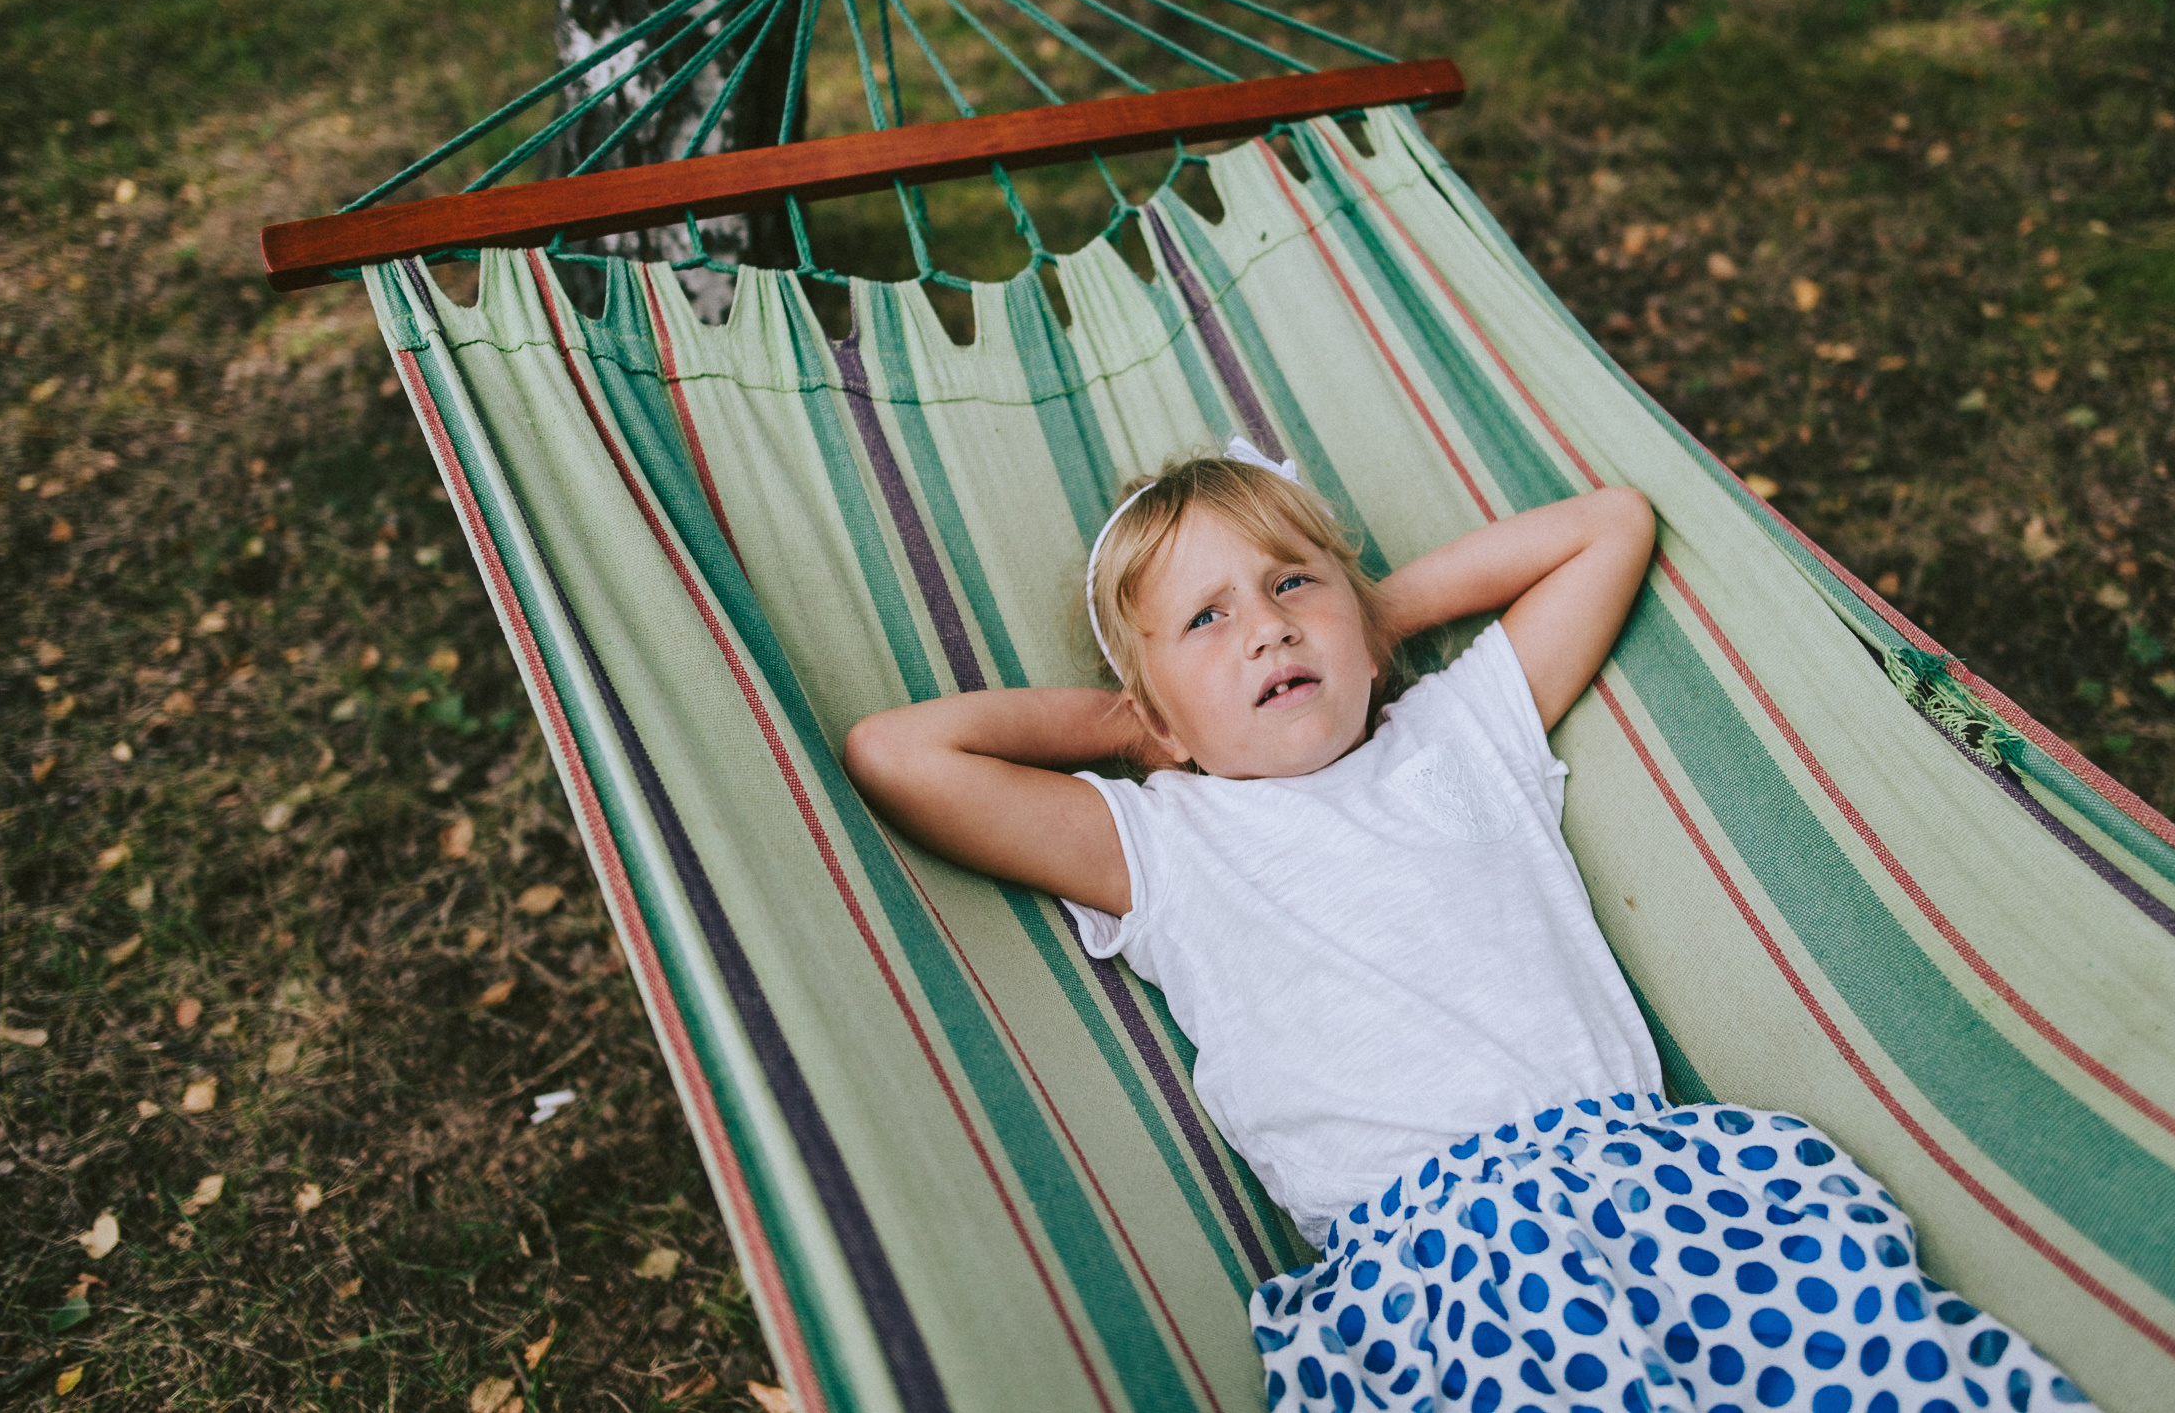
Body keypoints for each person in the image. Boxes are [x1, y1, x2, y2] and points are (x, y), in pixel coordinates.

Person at [844, 442, 2091, 1413]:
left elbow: (1609, 524)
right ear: (1154, 714)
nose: (1268, 624)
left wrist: (1370, 619)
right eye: (1207, 619)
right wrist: (1138, 728)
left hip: (1657, 1190)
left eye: (1291, 583)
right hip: (1430, 1269)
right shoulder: (1161, 838)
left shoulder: (1457, 732)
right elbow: (898, 753)